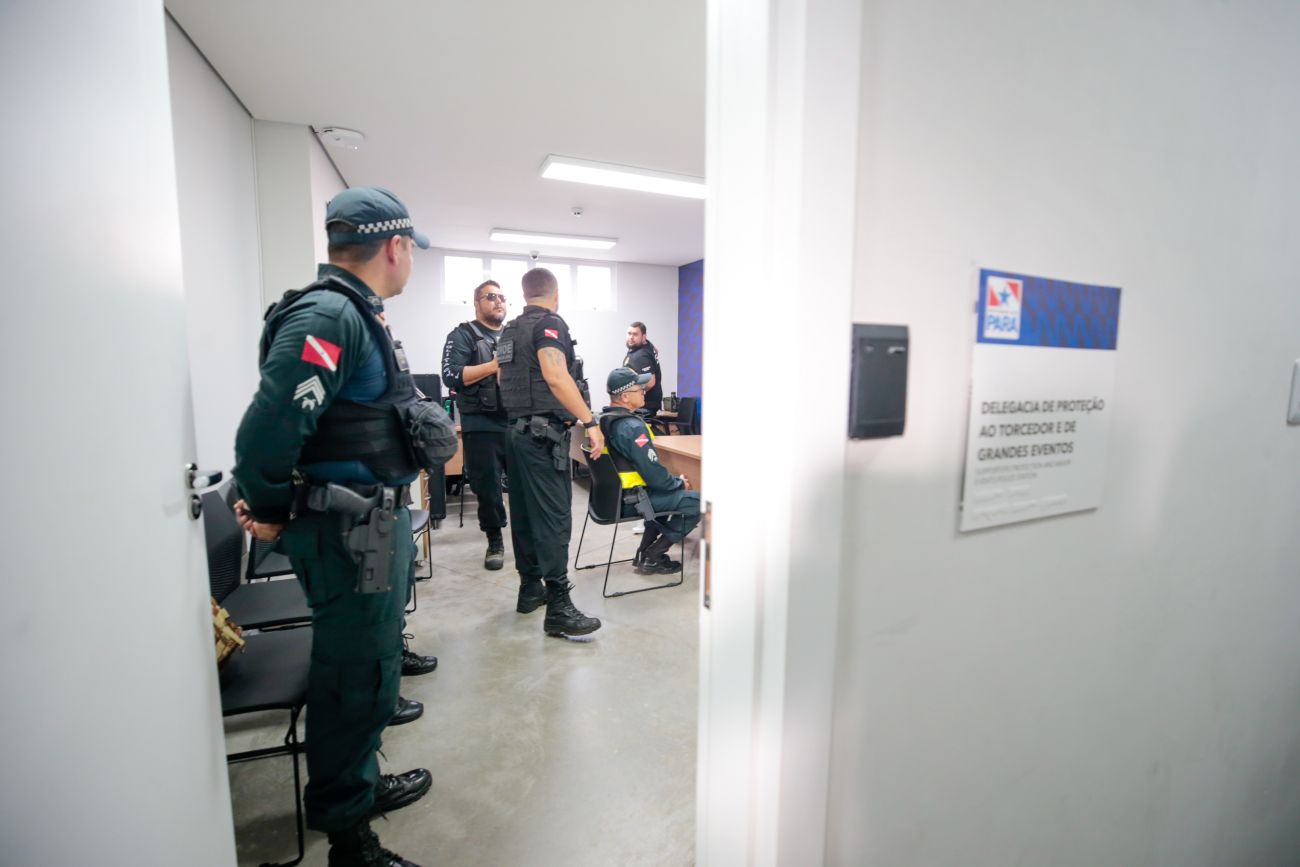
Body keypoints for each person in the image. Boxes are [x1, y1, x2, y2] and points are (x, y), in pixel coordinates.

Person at [232, 187, 457, 867]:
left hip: (372, 523)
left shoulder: (357, 312)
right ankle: (348, 835)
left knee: (375, 660)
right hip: (346, 528)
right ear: (395, 246)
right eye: (411, 249)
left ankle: (359, 780)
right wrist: (270, 509)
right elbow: (269, 428)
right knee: (352, 675)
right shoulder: (329, 315)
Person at [497, 267, 604, 638]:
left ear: (524, 294)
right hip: (543, 438)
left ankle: (530, 590)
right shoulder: (550, 324)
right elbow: (556, 376)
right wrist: (590, 421)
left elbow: (502, 380)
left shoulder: (510, 331)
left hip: (515, 434)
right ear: (555, 295)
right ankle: (559, 606)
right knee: (554, 518)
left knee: (525, 516)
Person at [599, 367, 702, 572]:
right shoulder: (632, 427)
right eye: (640, 389)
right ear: (625, 396)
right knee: (698, 503)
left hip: (612, 498)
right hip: (632, 501)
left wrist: (673, 483)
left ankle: (645, 552)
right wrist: (679, 483)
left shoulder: (604, 420)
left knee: (667, 491)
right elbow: (654, 475)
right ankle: (654, 556)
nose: (644, 392)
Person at [441, 280, 509, 570]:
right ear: (477, 303)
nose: (498, 301)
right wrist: (492, 366)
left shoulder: (513, 334)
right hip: (481, 424)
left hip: (515, 422)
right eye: (490, 296)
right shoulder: (463, 335)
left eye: (502, 296)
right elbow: (450, 376)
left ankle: (529, 539)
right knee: (488, 489)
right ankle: (495, 541)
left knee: (526, 486)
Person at [623, 321, 664, 415]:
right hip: (645, 406)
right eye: (629, 333)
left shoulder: (641, 356)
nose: (631, 337)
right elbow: (654, 348)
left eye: (635, 334)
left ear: (644, 337)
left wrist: (632, 393)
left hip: (644, 408)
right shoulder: (646, 345)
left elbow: (650, 383)